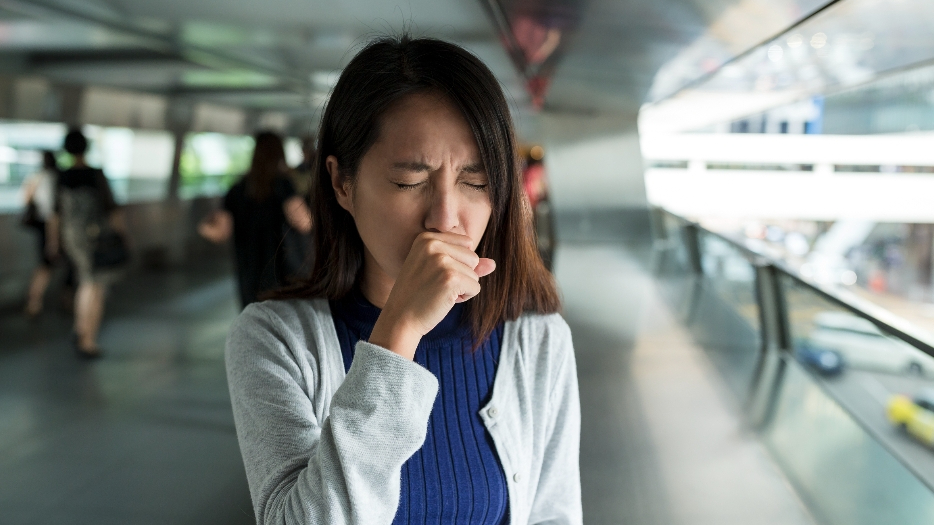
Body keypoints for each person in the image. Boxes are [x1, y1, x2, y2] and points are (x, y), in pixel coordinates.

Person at [225, 36, 581, 525]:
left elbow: (554, 515)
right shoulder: (277, 341)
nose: (445, 218)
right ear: (341, 183)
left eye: (475, 182)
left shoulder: (537, 341)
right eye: (410, 182)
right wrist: (399, 333)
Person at [198, 131, 312, 308]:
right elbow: (304, 223)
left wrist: (204, 225)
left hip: (250, 273)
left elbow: (219, 232)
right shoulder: (284, 185)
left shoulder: (238, 189)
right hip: (283, 273)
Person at [49, 130, 126, 358]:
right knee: (95, 285)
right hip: (95, 237)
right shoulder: (95, 175)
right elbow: (112, 209)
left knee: (84, 280)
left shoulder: (61, 176)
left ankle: (79, 328)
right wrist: (122, 235)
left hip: (71, 237)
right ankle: (88, 338)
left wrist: (54, 241)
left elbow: (55, 214)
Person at [21, 151, 59, 317]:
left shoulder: (36, 177)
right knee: (46, 264)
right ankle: (34, 301)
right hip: (50, 226)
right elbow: (53, 212)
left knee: (44, 264)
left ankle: (34, 301)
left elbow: (24, 199)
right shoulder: (52, 179)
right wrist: (53, 240)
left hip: (40, 225)